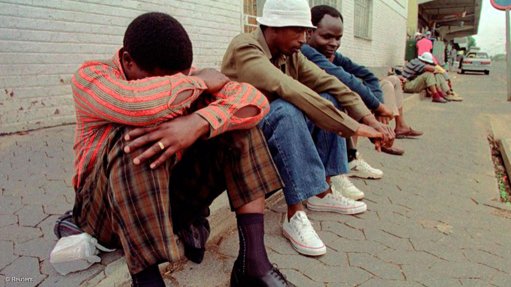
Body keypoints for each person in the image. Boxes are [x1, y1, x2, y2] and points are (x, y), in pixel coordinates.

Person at [70, 12, 292, 287]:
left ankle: (254, 264)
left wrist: (198, 122)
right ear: (127, 61)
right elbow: (138, 104)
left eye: (180, 79)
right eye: (162, 82)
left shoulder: (181, 70)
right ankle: (148, 281)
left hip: (160, 198)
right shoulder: (91, 77)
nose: (174, 87)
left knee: (236, 123)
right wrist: (197, 83)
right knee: (138, 133)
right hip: (102, 211)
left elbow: (255, 101)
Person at [221, 0, 394, 257]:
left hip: (273, 135)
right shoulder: (245, 48)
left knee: (327, 98)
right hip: (241, 140)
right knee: (287, 109)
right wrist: (351, 126)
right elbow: (289, 89)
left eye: (307, 31)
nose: (305, 38)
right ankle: (295, 213)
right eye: (299, 30)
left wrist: (370, 120)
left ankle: (322, 192)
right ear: (274, 27)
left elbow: (331, 82)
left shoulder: (290, 54)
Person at [303, 5, 422, 158]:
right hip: (308, 119)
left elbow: (369, 76)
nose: (334, 43)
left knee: (362, 94)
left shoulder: (332, 55)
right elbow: (345, 80)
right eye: (326, 37)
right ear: (309, 32)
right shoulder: (306, 52)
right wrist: (377, 107)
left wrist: (378, 109)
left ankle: (355, 154)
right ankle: (347, 161)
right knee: (338, 98)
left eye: (338, 38)